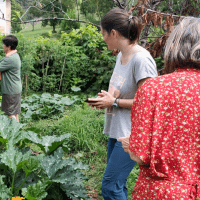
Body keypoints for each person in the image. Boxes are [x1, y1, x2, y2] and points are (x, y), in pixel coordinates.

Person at [119, 17, 200, 199]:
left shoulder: (153, 88)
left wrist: (130, 143)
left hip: (162, 193)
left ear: (175, 46)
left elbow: (139, 155)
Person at [88, 8, 158, 200]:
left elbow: (150, 103)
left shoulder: (141, 59)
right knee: (118, 185)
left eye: (103, 33)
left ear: (114, 33)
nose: (102, 39)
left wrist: (115, 102)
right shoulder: (121, 55)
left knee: (110, 186)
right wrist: (107, 99)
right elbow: (121, 92)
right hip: (117, 129)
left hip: (132, 133)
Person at [0, 35, 22, 122]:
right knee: (15, 113)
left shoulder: (10, 59)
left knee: (11, 114)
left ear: (8, 47)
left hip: (10, 91)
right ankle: (18, 132)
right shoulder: (15, 56)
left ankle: (13, 133)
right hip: (15, 89)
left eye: (4, 44)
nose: (2, 46)